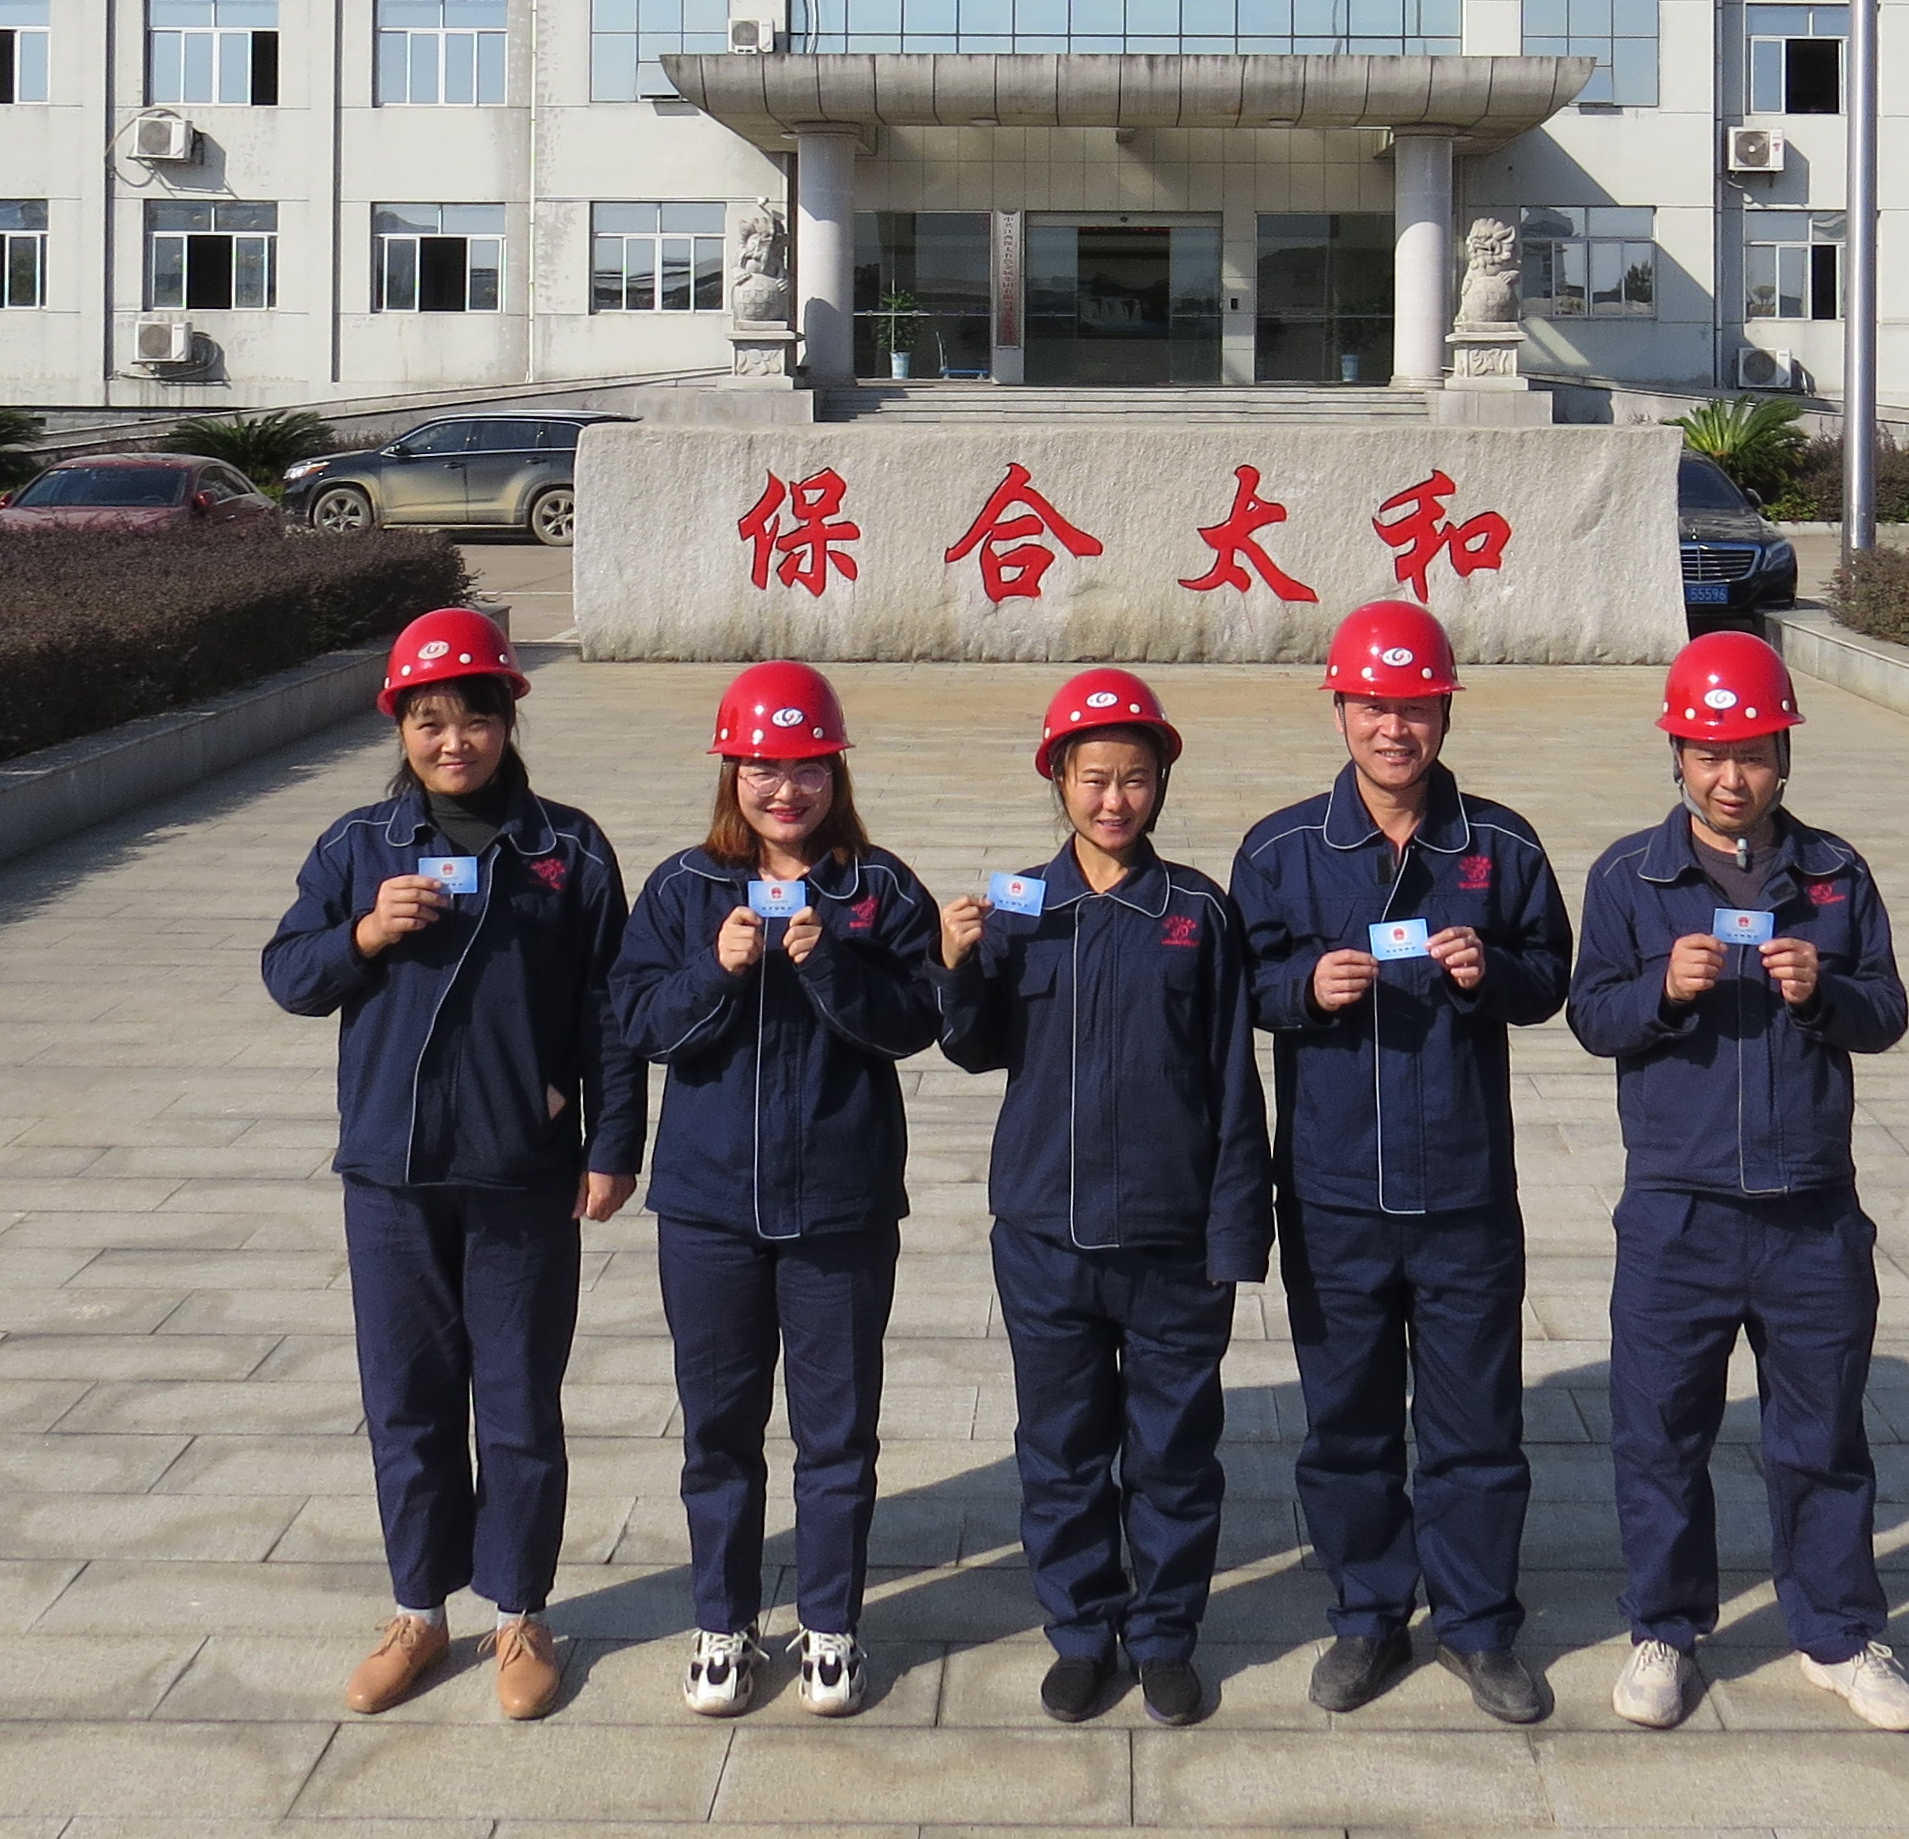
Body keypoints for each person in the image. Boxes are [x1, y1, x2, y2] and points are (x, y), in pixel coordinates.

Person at [260, 607, 643, 1722]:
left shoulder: (567, 850)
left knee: (518, 1401)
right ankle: (418, 1612)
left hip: (522, 1171)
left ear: (507, 721)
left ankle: (520, 1612)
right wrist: (365, 934)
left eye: (473, 718)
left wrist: (613, 1144)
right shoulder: (357, 848)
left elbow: (610, 1012)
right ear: (401, 730)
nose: (453, 742)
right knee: (407, 1403)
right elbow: (289, 975)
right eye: (428, 722)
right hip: (392, 1175)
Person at [1563, 628, 1909, 1737]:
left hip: (1810, 1209)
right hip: (1676, 1210)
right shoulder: (1630, 876)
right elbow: (1590, 1015)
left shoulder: (1834, 874)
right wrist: (1660, 994)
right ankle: (1665, 1630)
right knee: (1660, 1434)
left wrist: (1823, 991)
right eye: (1710, 753)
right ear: (1676, 753)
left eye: (1754, 754)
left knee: (1821, 1438)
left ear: (1784, 757)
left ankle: (1837, 1633)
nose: (1732, 777)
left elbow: (1886, 1012)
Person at [1228, 599, 1572, 1725]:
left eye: (1415, 706)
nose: (1394, 728)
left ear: (1444, 713)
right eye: (1373, 705)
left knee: (1477, 1427)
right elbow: (1238, 985)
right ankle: (1368, 1616)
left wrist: (1491, 973)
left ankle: (1478, 1626)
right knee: (1349, 1427)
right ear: (1339, 709)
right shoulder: (1280, 850)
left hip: (1465, 1192)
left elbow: (1551, 978)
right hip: (1332, 1192)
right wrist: (1302, 988)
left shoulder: (1500, 845)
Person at [936, 667, 1271, 1728]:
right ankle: (1082, 1631)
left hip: (1173, 1242)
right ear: (1059, 781)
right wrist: (957, 966)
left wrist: (1234, 1234)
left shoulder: (1198, 912)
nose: (1114, 799)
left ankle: (1165, 1634)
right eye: (1093, 778)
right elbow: (973, 1047)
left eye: (1134, 778)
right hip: (1044, 1237)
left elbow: (1233, 1082)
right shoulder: (1019, 908)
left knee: (1174, 1453)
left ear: (1160, 782)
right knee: (1062, 1450)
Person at [608, 662, 942, 1723]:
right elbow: (637, 1022)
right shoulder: (683, 887)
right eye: (762, 768)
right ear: (731, 773)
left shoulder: (879, 887)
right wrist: (714, 968)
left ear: (835, 773)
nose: (784, 790)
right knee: (719, 1430)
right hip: (707, 1209)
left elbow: (920, 1019)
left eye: (805, 769)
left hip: (840, 1206)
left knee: (837, 1432)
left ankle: (831, 1625)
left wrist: (832, 966)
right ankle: (724, 1621)